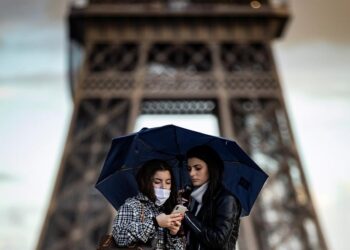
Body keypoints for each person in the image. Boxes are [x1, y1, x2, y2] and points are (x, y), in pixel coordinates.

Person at [112, 159, 185, 249]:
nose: (164, 187)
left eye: (168, 182)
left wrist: (173, 234)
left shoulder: (168, 209)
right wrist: (155, 223)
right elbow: (119, 236)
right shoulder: (132, 205)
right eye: (157, 182)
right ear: (146, 182)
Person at [183, 145, 241, 250]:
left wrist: (186, 215)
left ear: (210, 167)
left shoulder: (226, 199)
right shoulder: (194, 200)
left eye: (198, 168)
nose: (191, 173)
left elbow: (218, 241)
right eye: (189, 169)